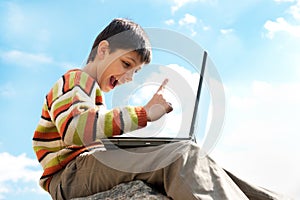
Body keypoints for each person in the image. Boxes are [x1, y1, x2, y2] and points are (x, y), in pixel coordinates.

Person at [33, 18, 285, 200]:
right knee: (180, 155)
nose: (129, 77)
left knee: (197, 157)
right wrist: (143, 115)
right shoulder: (76, 80)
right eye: (126, 63)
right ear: (103, 49)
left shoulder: (90, 90)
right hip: (70, 176)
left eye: (136, 71)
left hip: (85, 169)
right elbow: (75, 129)